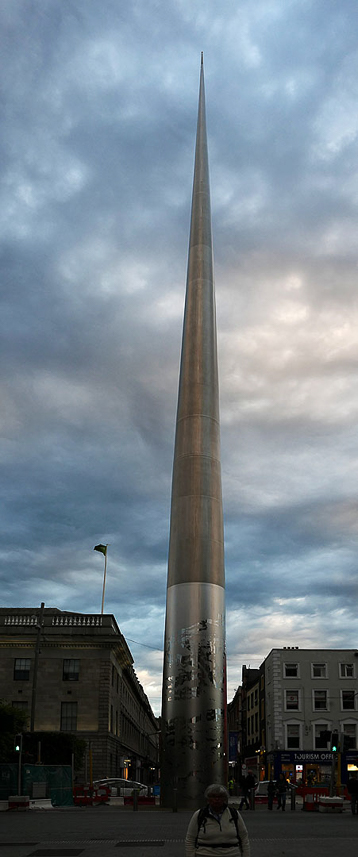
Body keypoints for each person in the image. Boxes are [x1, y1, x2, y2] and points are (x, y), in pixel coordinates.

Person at [185, 783, 250, 857]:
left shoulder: (234, 814)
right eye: (213, 796)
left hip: (232, 854)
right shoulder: (199, 815)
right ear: (208, 799)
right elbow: (190, 839)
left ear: (225, 799)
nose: (217, 799)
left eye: (220, 797)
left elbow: (244, 838)